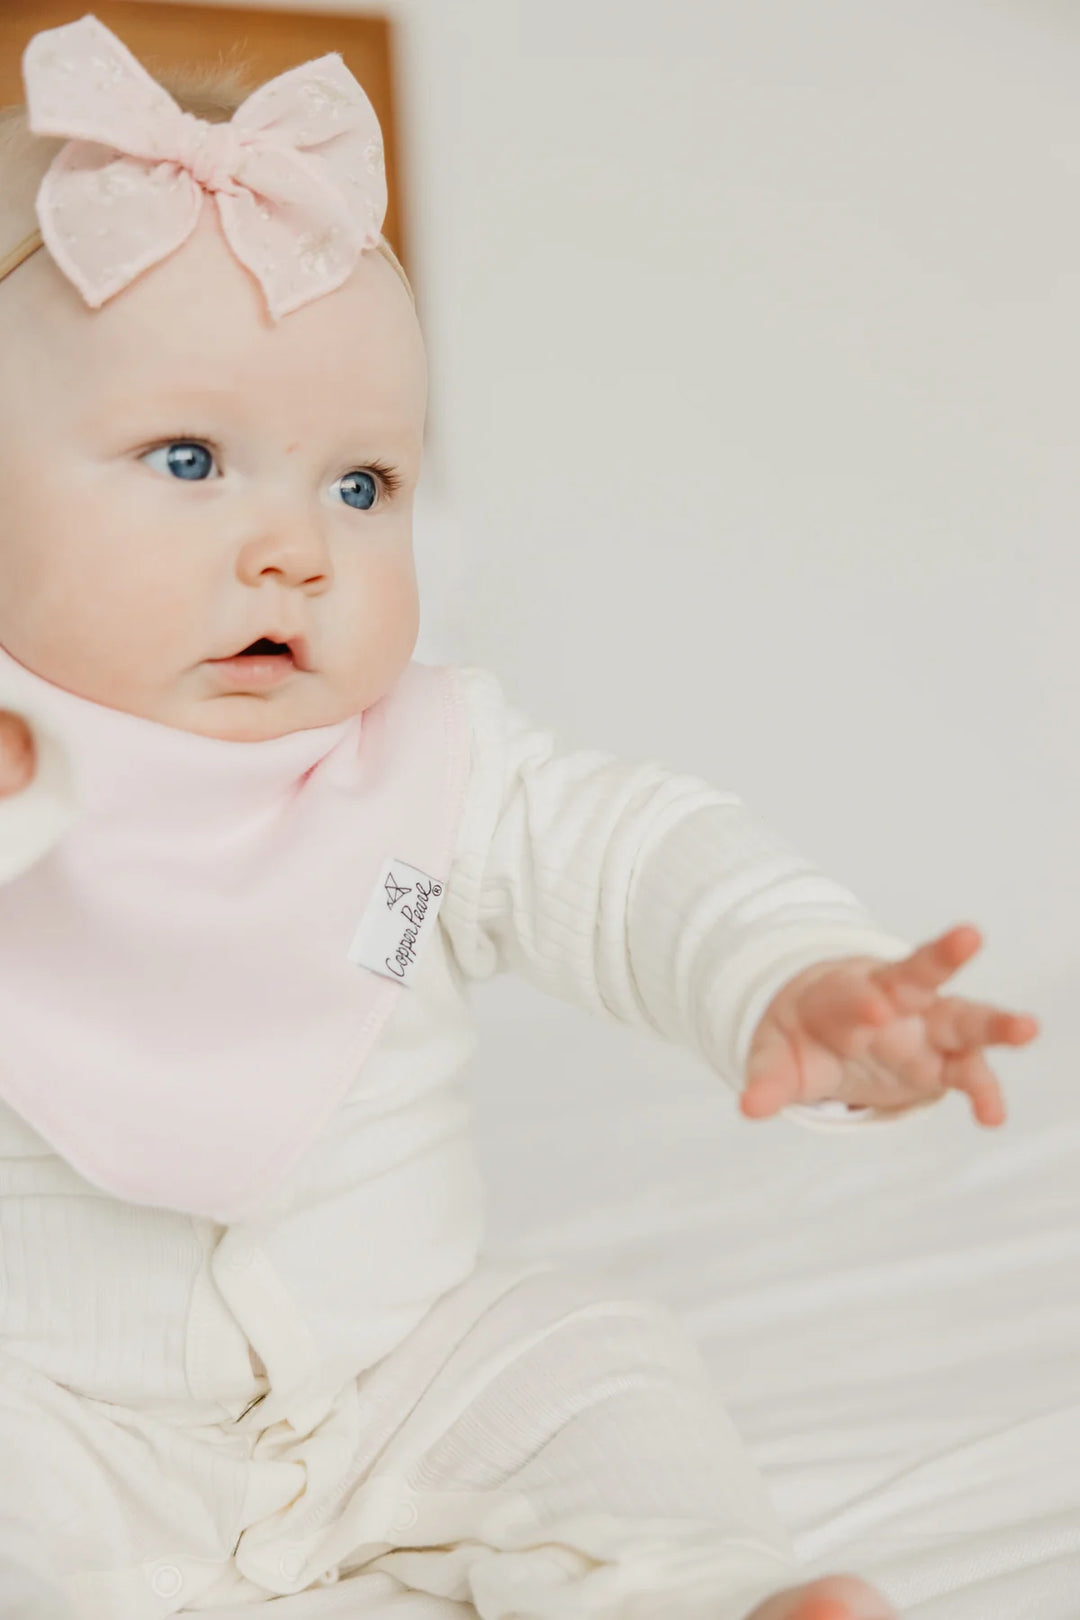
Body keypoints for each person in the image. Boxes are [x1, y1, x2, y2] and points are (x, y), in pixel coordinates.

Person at [0, 15, 1038, 1620]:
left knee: (599, 1367)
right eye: (190, 457)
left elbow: (634, 864)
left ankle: (709, 1601)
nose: (296, 546)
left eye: (363, 485)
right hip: (60, 1414)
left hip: (403, 1373)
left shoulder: (429, 764)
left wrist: (794, 976)